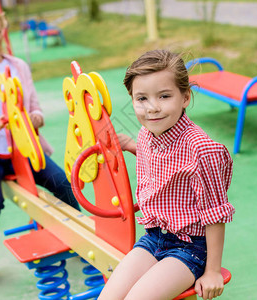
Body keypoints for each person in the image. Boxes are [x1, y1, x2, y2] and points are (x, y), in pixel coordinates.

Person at [0, 2, 80, 294]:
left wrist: (35, 118)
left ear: (3, 29)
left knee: (63, 184)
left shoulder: (17, 66)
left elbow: (36, 110)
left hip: (23, 149)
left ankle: (77, 237)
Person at [99, 50, 235, 300]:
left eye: (164, 96)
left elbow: (215, 214)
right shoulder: (146, 135)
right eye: (141, 98)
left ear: (185, 97)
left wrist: (213, 271)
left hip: (190, 248)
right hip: (153, 239)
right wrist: (131, 145)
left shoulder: (202, 150)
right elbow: (165, 162)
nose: (152, 108)